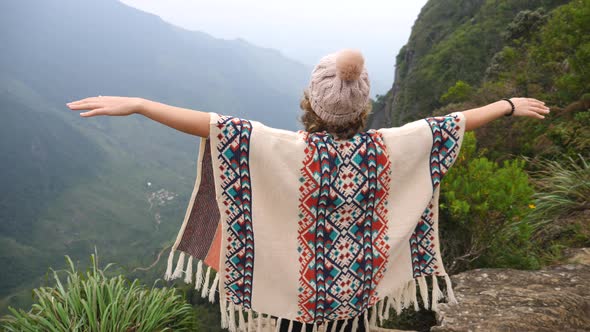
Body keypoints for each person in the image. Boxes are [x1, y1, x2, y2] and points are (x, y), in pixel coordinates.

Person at [66, 49, 549, 332]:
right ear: (362, 105)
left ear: (311, 100)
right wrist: (506, 104)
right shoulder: (388, 148)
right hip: (355, 299)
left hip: (293, 303)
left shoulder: (278, 149)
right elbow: (451, 124)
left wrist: (140, 104)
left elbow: (211, 126)